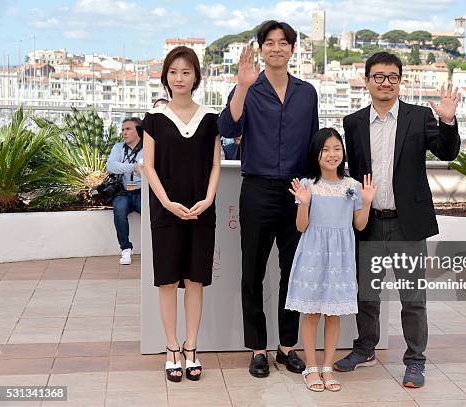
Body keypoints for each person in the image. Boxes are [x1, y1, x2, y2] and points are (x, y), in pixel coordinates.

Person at [334, 52, 461, 388]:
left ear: (400, 81)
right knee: (367, 295)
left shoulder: (419, 117)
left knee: (412, 299)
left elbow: (447, 152)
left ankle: (415, 361)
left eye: (392, 76)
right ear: (367, 81)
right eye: (378, 76)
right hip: (370, 221)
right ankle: (365, 349)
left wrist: (447, 121)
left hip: (408, 222)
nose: (385, 82)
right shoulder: (354, 122)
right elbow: (352, 172)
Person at [217, 20, 319, 378]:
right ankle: (258, 348)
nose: (277, 48)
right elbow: (226, 130)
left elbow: (313, 146)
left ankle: (286, 347)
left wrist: (314, 192)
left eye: (283, 43)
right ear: (261, 49)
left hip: (296, 192)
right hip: (257, 190)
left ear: (292, 49)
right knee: (253, 273)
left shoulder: (307, 93)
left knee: (293, 273)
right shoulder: (248, 88)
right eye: (270, 43)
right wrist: (242, 88)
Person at [142, 46, 221, 383]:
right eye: (173, 72)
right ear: (165, 77)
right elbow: (148, 166)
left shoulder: (210, 118)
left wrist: (208, 199)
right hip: (166, 211)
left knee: (195, 280)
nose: (179, 78)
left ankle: (192, 347)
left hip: (202, 210)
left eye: (186, 71)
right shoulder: (154, 119)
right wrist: (167, 202)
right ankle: (172, 347)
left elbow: (216, 163)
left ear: (196, 77)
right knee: (168, 280)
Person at [285, 128, 375, 392]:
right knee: (312, 312)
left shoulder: (353, 186)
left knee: (333, 314)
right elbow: (301, 227)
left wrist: (367, 202)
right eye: (326, 149)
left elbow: (359, 225)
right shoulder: (307, 185)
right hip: (313, 254)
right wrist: (302, 203)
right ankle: (311, 368)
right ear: (316, 153)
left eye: (337, 148)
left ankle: (327, 367)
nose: (332, 154)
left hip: (341, 258)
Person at [107, 117, 144, 265]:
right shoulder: (118, 147)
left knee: (152, 211)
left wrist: (124, 165)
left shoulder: (148, 148)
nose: (124, 132)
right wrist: (134, 167)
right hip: (124, 191)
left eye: (128, 129)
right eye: (123, 129)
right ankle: (126, 249)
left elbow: (149, 169)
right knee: (119, 208)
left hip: (143, 190)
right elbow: (111, 166)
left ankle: (155, 247)